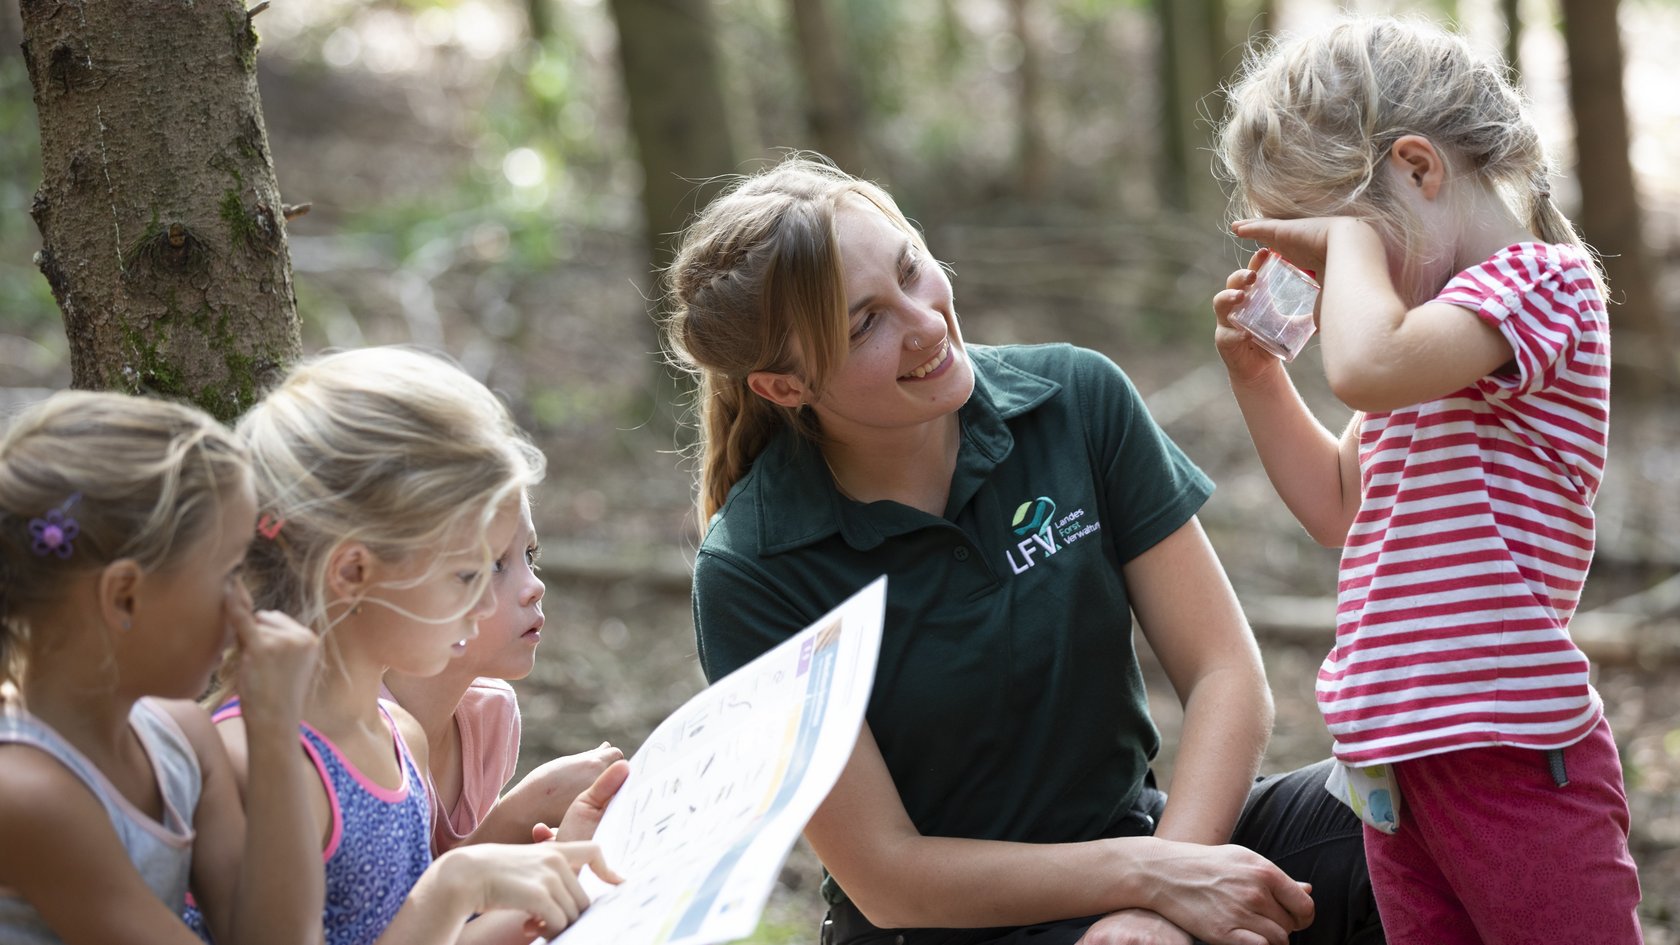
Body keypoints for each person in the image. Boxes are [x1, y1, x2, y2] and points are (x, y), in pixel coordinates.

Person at [665, 155, 1384, 945]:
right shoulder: (753, 568)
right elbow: (887, 874)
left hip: (1148, 847)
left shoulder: (1077, 400)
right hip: (948, 929)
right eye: (865, 323)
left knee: (1406, 809)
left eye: (910, 269)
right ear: (783, 386)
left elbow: (1225, 673)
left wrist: (1163, 896)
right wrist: (1155, 880)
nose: (925, 322)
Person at [1210, 17, 1640, 945]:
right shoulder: (1422, 347)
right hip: (1395, 767)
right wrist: (1259, 377)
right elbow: (1337, 504)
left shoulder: (1541, 286)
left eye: (1330, 252)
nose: (1325, 285)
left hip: (1509, 750)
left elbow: (1366, 365)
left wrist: (1351, 258)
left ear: (1417, 168)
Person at [207, 346, 623, 945]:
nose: (484, 603)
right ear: (353, 573)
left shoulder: (400, 736)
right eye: (467, 573)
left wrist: (556, 878)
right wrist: (455, 884)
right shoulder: (258, 758)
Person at [0, 390, 321, 945]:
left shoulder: (181, 737)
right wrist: (446, 893)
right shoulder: (26, 793)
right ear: (124, 596)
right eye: (230, 573)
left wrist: (274, 731)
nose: (245, 605)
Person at [383, 489, 627, 852]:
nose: (536, 586)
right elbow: (407, 890)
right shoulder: (360, 737)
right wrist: (524, 811)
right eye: (494, 564)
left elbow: (474, 875)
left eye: (529, 555)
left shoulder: (491, 715)